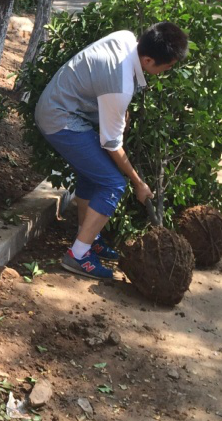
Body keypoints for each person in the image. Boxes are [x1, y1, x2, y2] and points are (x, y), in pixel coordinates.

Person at [34, 22, 189, 280]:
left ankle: (88, 239)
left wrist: (118, 114)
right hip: (59, 118)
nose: (168, 70)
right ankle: (77, 255)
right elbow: (111, 144)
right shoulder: (120, 86)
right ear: (148, 60)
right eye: (168, 65)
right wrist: (139, 183)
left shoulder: (126, 37)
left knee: (93, 175)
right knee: (113, 183)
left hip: (64, 108)